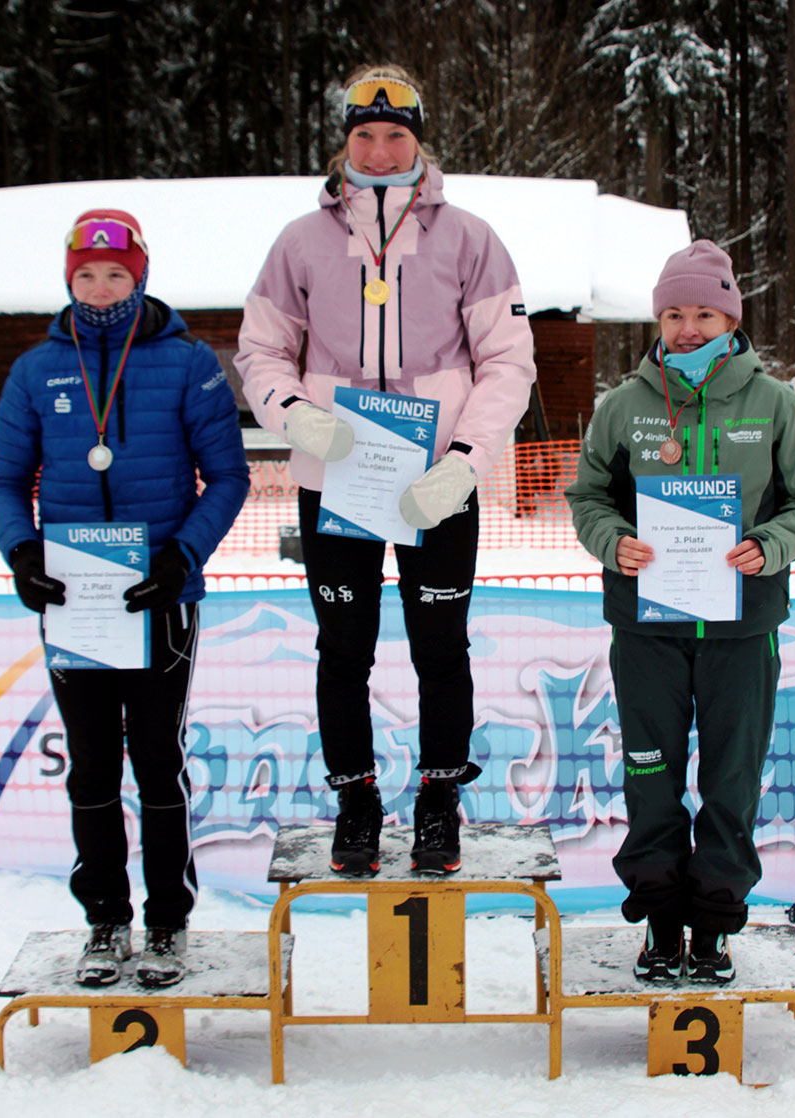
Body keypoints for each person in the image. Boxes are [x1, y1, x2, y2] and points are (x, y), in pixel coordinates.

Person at [235, 64, 536, 875]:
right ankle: (356, 801)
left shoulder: (468, 238)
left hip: (437, 481)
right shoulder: (300, 241)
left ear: (418, 140)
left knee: (442, 649)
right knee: (344, 650)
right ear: (344, 142)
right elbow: (261, 350)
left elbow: (508, 362)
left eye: (394, 135)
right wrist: (293, 415)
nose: (377, 150)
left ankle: (440, 800)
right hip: (337, 476)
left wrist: (466, 463)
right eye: (363, 135)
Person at [0, 208, 249, 987]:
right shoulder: (35, 370)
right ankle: (105, 919)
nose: (100, 289)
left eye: (115, 274)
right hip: (75, 599)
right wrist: (22, 552)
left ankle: (168, 921)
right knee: (92, 766)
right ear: (68, 279)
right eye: (86, 275)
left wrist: (182, 555)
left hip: (160, 596)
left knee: (159, 761)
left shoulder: (190, 363)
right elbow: (6, 479)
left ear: (140, 275)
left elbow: (227, 476)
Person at [566, 240, 795, 982]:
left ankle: (713, 924)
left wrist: (771, 545)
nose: (688, 329)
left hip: (742, 629)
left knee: (731, 778)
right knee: (650, 773)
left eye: (704, 315)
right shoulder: (624, 405)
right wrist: (612, 540)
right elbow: (587, 496)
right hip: (646, 626)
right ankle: (659, 920)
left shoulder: (775, 403)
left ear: (730, 320)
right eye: (674, 314)